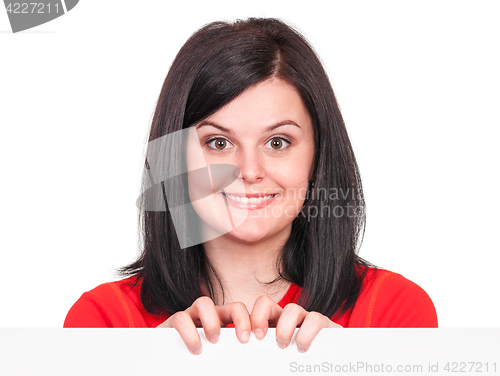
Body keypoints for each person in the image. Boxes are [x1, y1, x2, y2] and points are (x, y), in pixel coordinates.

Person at [64, 18, 438, 355]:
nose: (249, 171)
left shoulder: (393, 311)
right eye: (218, 143)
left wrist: (352, 362)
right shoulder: (104, 320)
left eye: (277, 142)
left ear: (317, 156)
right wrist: (142, 363)